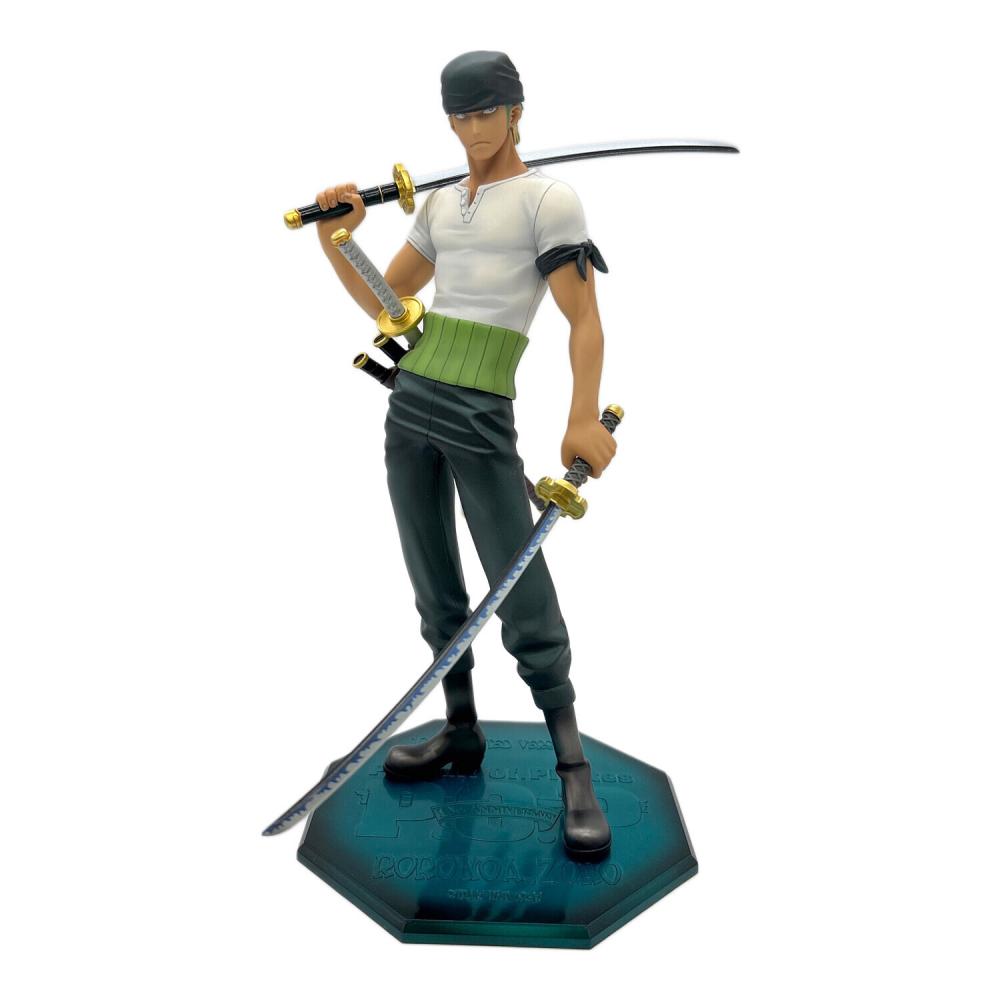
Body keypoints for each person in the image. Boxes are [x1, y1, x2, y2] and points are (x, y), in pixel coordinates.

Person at [315, 51, 616, 859]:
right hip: (410, 398)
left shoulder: (550, 200)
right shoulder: (444, 203)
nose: (473, 129)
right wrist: (340, 240)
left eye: (486, 112)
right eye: (460, 115)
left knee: (518, 581)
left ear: (516, 112)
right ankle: (460, 729)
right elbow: (388, 304)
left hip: (481, 407)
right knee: (432, 575)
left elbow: (584, 319)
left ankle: (573, 766)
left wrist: (581, 415)